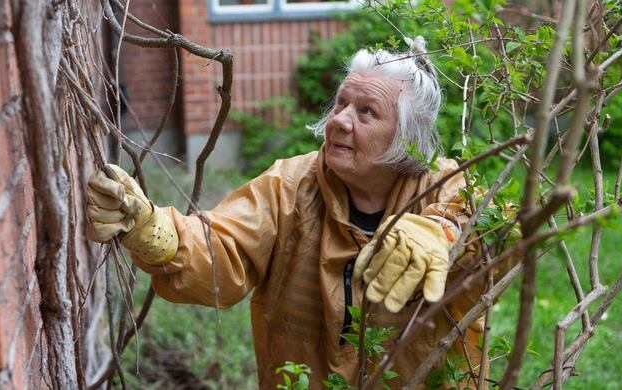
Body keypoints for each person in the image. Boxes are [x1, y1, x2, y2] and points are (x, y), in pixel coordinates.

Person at [86, 39, 484, 389]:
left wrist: (444, 233)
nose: (340, 120)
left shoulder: (444, 187)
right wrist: (153, 230)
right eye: (342, 103)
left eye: (366, 112)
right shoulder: (290, 185)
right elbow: (224, 246)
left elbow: (494, 226)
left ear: (406, 137)